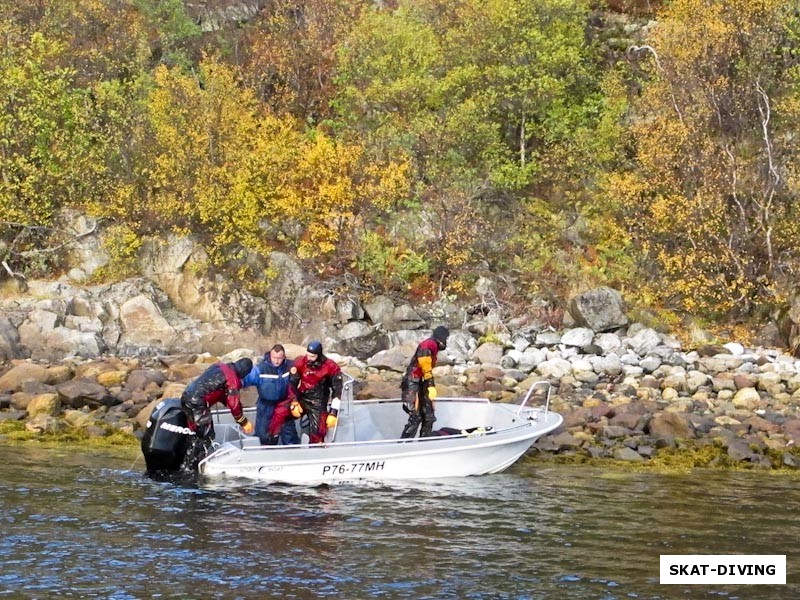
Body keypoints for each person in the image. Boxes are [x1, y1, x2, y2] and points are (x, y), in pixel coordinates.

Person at [267, 340, 343, 445]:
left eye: (312, 356)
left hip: (318, 404)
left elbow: (338, 391)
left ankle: (315, 452)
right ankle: (271, 442)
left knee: (318, 432)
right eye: (308, 355)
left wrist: (333, 412)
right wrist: (294, 401)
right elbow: (292, 383)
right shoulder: (300, 362)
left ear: (319, 355)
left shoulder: (330, 367)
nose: (309, 358)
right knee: (280, 412)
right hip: (302, 398)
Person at [180, 357, 255, 442]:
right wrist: (244, 422)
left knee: (193, 429)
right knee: (205, 435)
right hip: (198, 404)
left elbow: (219, 392)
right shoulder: (232, 380)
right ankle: (201, 453)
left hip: (187, 395)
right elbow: (234, 405)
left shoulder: (219, 365)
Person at [241, 343, 299, 446]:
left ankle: (292, 453)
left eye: (279, 358)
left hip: (284, 405)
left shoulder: (290, 366)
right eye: (274, 358)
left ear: (284, 357)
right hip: (266, 407)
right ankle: (263, 455)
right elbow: (244, 381)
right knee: (264, 435)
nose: (276, 361)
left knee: (289, 435)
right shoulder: (260, 369)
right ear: (270, 356)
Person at [400, 326, 449, 439]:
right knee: (415, 418)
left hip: (422, 382)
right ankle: (403, 446)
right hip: (412, 382)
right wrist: (431, 385)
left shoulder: (433, 346)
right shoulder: (427, 346)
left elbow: (427, 370)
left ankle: (425, 443)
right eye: (446, 338)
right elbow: (425, 366)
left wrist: (429, 385)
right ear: (441, 338)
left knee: (429, 416)